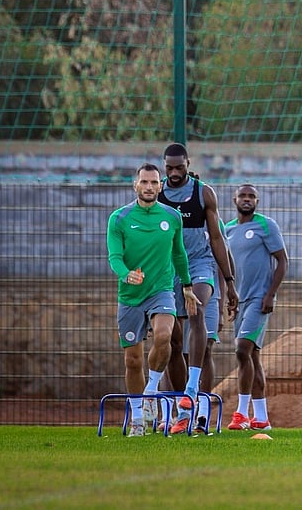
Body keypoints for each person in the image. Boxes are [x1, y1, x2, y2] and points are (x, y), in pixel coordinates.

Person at [105, 163, 197, 437]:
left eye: (154, 182)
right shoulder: (119, 218)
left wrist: (188, 286)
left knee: (164, 336)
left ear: (161, 185)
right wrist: (125, 274)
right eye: (144, 182)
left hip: (162, 290)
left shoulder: (172, 217)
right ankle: (137, 418)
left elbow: (179, 254)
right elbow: (114, 257)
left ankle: (150, 391)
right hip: (131, 296)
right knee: (133, 361)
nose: (148, 187)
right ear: (135, 185)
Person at [158, 143, 236, 434]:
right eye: (170, 168)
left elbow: (217, 240)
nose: (175, 173)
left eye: (180, 167)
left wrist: (229, 282)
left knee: (198, 311)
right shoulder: (158, 195)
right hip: (169, 270)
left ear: (188, 164)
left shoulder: (204, 193)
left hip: (200, 265)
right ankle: (178, 410)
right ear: (164, 167)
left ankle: (195, 394)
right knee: (172, 344)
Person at [224, 183, 289, 432]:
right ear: (234, 199)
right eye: (243, 195)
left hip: (259, 299)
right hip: (239, 302)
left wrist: (271, 294)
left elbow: (282, 261)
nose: (247, 199)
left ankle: (241, 413)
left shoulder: (266, 225)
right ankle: (261, 418)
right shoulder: (227, 229)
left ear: (257, 201)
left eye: (252, 196)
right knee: (251, 357)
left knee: (242, 350)